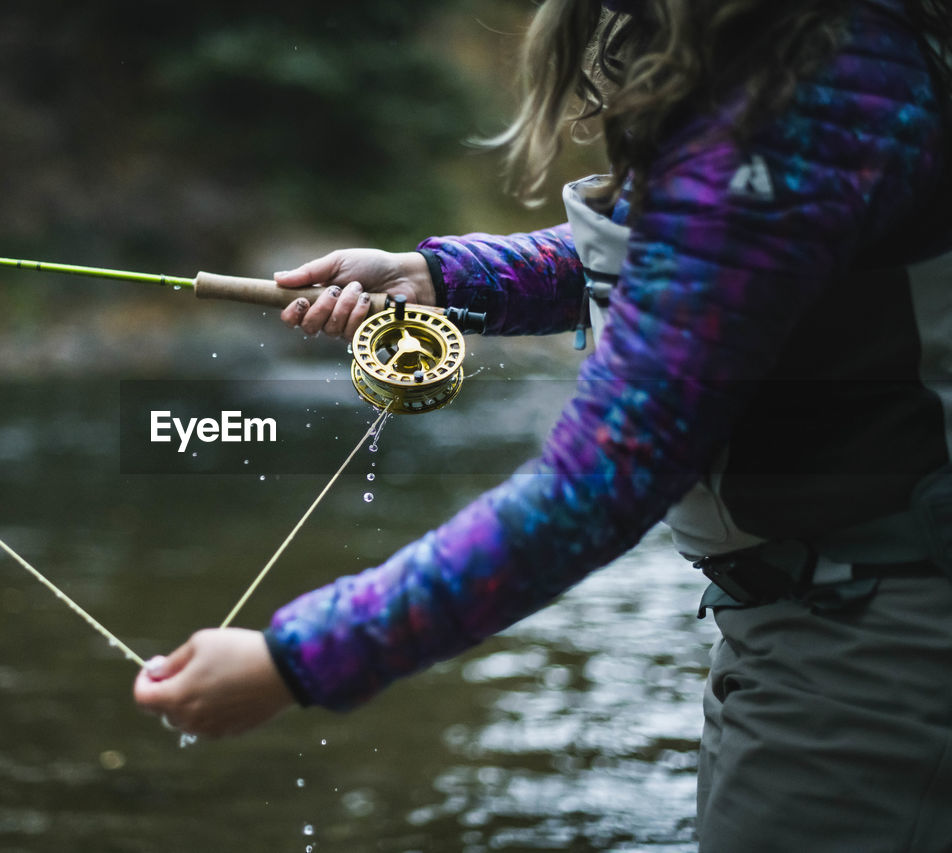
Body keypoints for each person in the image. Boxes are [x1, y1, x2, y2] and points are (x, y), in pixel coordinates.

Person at [135, 0, 952, 847]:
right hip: (812, 614)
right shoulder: (809, 55)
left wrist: (297, 659)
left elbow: (605, 476)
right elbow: (695, 252)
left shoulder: (814, 86)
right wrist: (437, 275)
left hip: (875, 638)